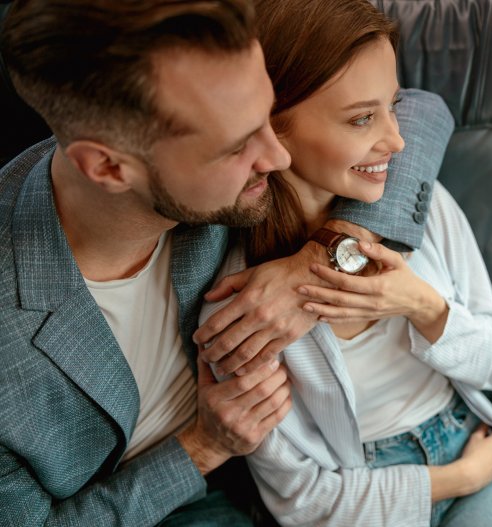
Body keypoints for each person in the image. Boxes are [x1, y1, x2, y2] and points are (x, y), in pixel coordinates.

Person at [0, 1, 452, 525]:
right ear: (107, 166)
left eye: (266, 116)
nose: (278, 157)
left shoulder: (217, 159)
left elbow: (422, 112)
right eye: (237, 145)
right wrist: (203, 447)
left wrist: (324, 260)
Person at [199, 0, 492, 525]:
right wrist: (457, 480)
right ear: (273, 129)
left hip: (466, 439)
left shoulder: (423, 202)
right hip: (367, 490)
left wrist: (423, 305)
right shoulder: (244, 308)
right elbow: (300, 501)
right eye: (362, 118)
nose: (396, 140)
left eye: (392, 106)